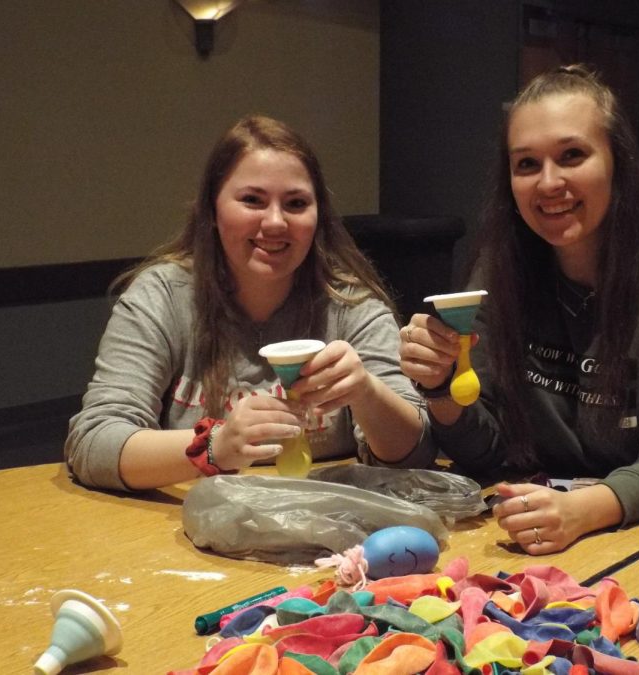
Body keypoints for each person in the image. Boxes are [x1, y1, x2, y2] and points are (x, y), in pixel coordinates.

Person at [396, 64, 639, 554]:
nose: (548, 182)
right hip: (531, 524)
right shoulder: (500, 270)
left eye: (572, 155)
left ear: (617, 163)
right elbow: (489, 449)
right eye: (527, 164)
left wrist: (580, 511)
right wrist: (439, 389)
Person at [66, 114, 433, 491]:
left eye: (295, 203)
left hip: (330, 526)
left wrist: (367, 393)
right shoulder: (162, 296)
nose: (275, 222)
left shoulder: (350, 303)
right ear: (212, 210)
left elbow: (418, 454)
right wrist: (214, 447)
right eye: (252, 200)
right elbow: (93, 443)